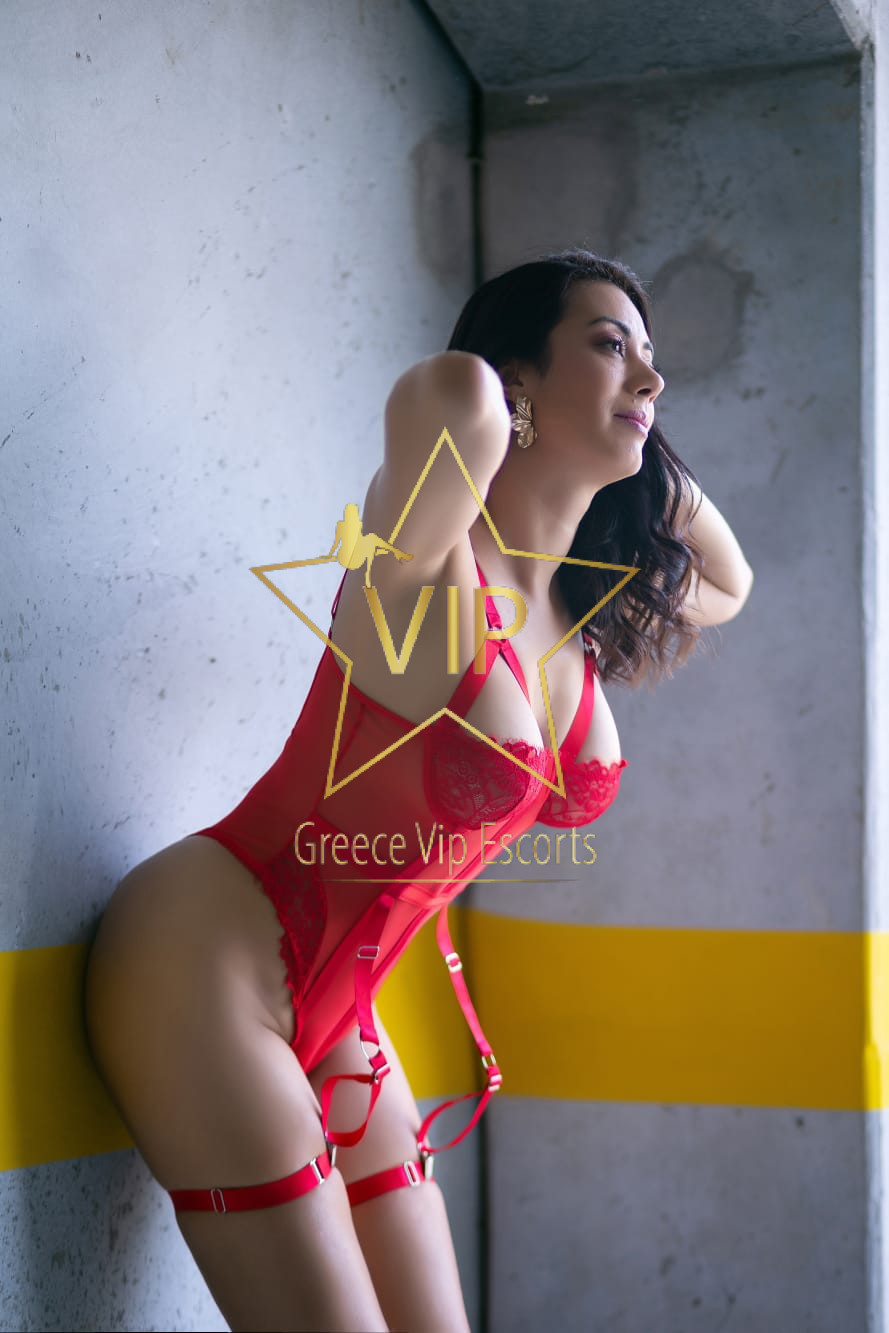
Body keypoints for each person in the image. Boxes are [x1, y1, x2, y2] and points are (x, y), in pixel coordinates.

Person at [84, 248, 754, 1332]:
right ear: (517, 380)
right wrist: (520, 395)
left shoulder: (572, 622)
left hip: (344, 1010)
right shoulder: (428, 550)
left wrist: (639, 446)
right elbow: (447, 395)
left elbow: (729, 579)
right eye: (608, 342)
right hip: (206, 959)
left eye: (652, 355)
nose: (650, 374)